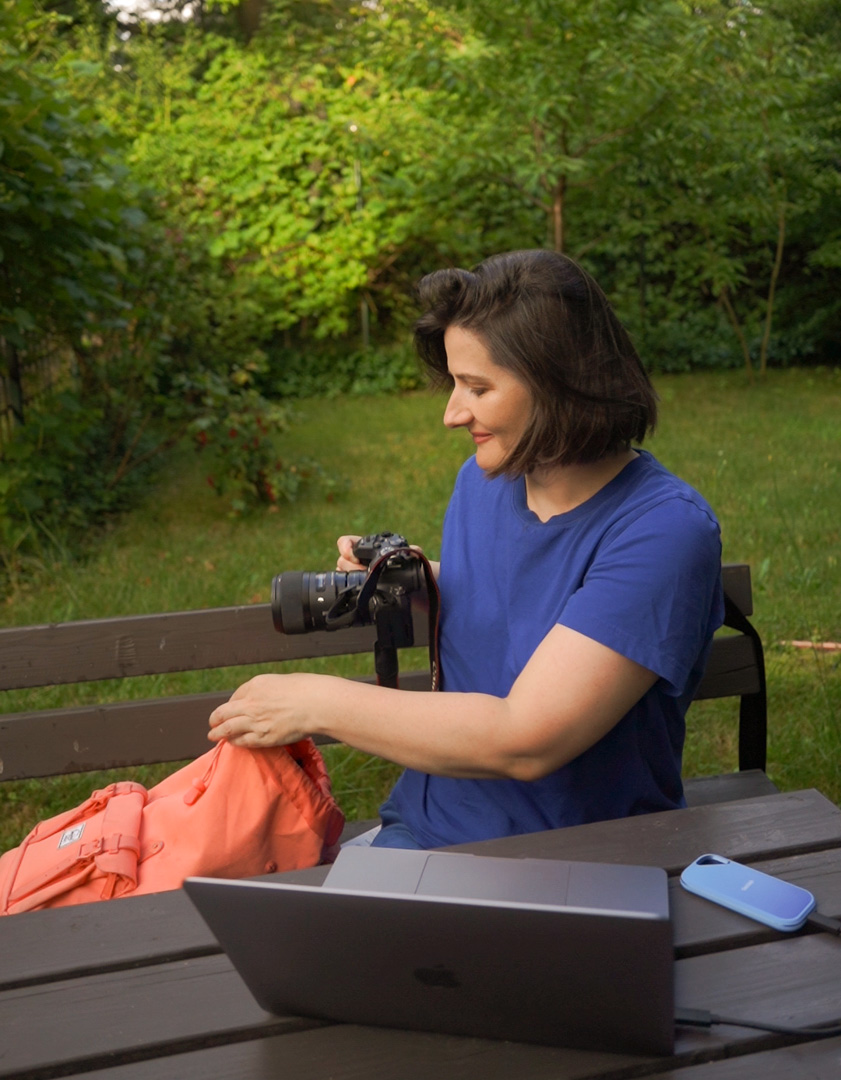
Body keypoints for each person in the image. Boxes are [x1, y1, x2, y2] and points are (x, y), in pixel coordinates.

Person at [208, 249, 723, 849]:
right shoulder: (484, 483)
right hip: (427, 829)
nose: (452, 413)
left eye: (477, 387)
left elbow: (526, 738)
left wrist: (314, 701)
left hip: (575, 857)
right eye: (455, 383)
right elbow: (530, 591)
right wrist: (417, 578)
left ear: (565, 384)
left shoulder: (663, 531)